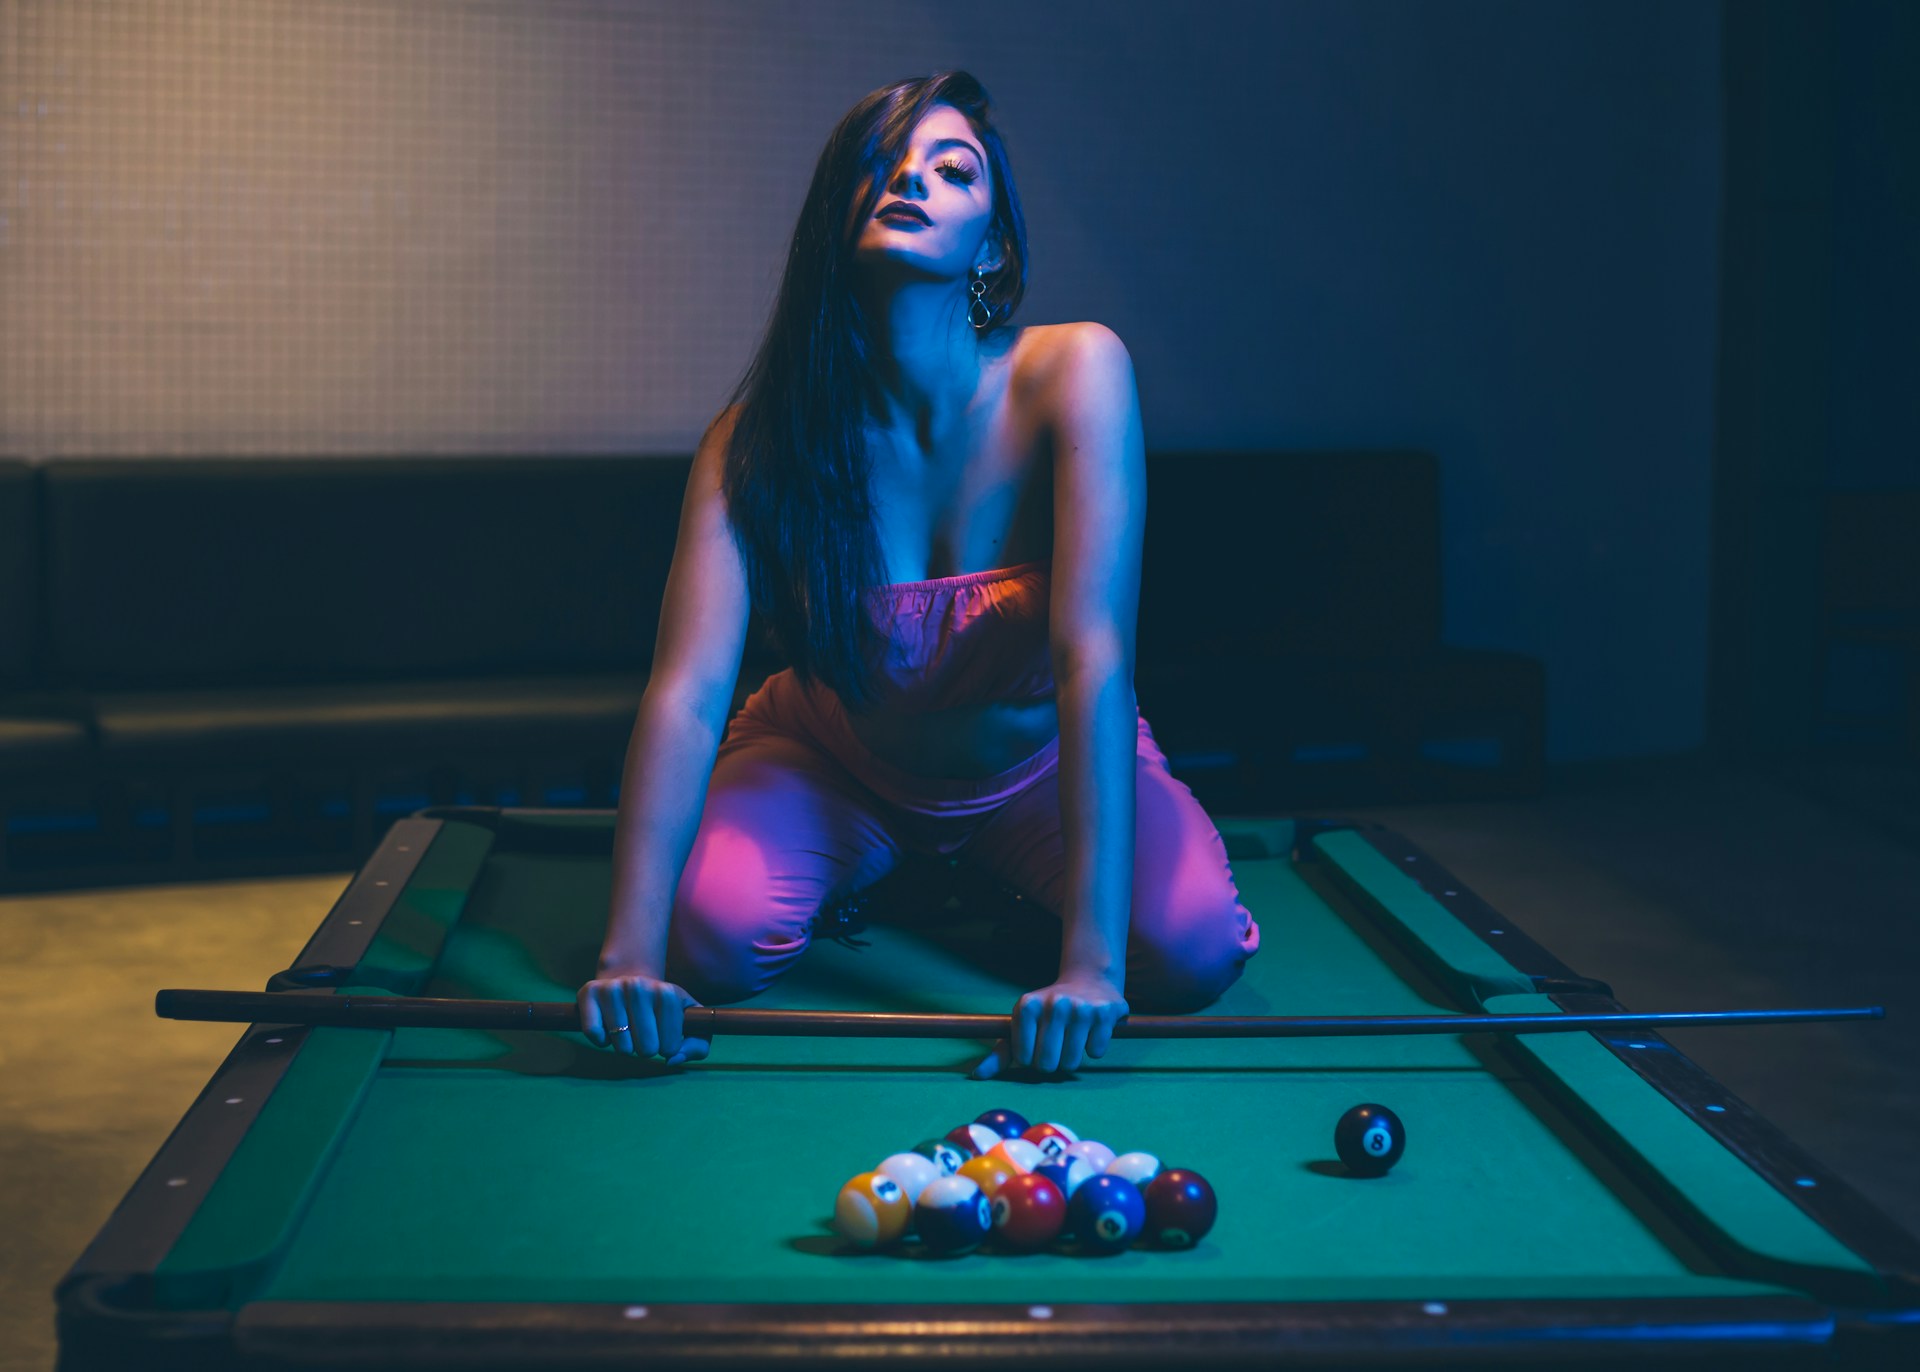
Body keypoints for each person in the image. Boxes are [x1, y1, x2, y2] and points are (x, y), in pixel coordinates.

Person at [577, 70, 1258, 1080]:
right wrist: (626, 954)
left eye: (952, 169)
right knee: (710, 943)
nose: (912, 181)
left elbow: (1093, 660)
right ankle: (880, 868)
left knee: (1192, 952)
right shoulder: (755, 440)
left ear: (991, 243)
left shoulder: (1076, 372)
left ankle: (982, 882)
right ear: (833, 216)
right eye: (880, 167)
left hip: (1034, 772)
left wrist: (1089, 966)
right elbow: (685, 693)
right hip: (835, 761)